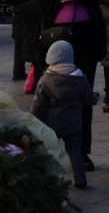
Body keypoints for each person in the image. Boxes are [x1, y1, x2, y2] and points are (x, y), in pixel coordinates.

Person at [0, 0, 108, 171]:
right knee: (49, 97)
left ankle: (82, 152)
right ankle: (51, 148)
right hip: (55, 41)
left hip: (84, 38)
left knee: (83, 95)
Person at [33, 39, 100, 190]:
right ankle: (80, 179)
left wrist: (33, 119)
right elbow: (90, 99)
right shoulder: (80, 78)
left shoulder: (45, 80)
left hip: (52, 123)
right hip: (74, 123)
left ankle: (51, 178)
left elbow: (38, 104)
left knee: (51, 150)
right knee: (75, 151)